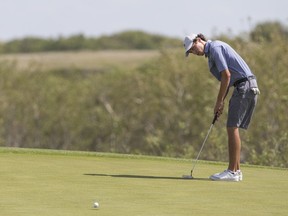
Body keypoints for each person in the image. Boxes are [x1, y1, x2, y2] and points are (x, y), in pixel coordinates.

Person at [183, 33, 260, 181]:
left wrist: (219, 101)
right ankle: (236, 171)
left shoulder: (215, 47)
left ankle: (232, 171)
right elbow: (227, 80)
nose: (194, 52)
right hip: (244, 86)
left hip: (244, 86)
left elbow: (226, 76)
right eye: (191, 52)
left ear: (199, 40)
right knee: (233, 127)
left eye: (193, 48)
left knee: (232, 127)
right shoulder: (212, 54)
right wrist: (221, 103)